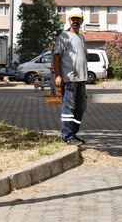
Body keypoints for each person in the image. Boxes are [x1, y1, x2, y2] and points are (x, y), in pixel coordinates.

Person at [53, 7, 88, 145]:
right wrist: (58, 75)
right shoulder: (63, 36)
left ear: (82, 20)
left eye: (78, 19)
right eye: (73, 18)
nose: (75, 21)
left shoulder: (81, 38)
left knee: (80, 107)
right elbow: (56, 57)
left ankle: (73, 133)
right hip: (69, 78)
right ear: (68, 20)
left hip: (81, 78)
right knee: (69, 107)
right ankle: (67, 136)